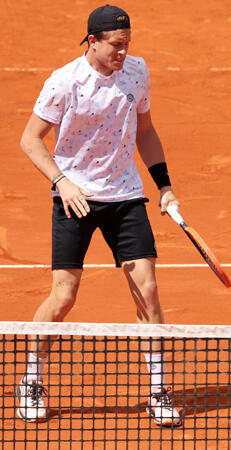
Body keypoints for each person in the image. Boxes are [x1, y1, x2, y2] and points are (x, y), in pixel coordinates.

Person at [15, 5, 182, 426]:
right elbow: (30, 139)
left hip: (125, 195)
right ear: (93, 41)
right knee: (64, 296)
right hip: (75, 197)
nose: (123, 53)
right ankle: (32, 380)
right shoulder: (65, 81)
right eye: (116, 45)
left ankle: (159, 390)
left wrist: (164, 187)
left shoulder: (137, 72)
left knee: (148, 290)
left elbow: (145, 130)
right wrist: (61, 181)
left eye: (128, 44)